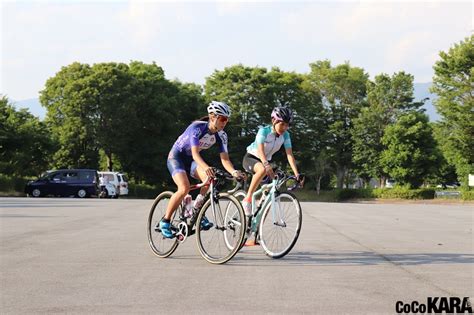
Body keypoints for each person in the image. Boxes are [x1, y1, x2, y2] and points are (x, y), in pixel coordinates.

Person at [159, 101, 245, 238]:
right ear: (212, 117)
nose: (224, 123)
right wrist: (206, 167)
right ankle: (165, 221)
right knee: (184, 188)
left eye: (226, 120)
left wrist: (234, 172)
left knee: (209, 179)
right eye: (222, 119)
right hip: (176, 157)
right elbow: (195, 153)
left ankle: (196, 209)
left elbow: (225, 159)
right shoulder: (197, 128)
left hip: (191, 160)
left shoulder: (222, 135)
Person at [241, 106, 303, 245]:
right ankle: (248, 198)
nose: (284, 127)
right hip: (252, 158)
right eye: (282, 124)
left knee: (269, 197)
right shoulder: (264, 131)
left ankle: (254, 233)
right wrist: (265, 164)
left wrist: (296, 173)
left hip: (266, 162)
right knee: (263, 170)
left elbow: (289, 155)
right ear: (274, 121)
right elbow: (260, 149)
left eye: (287, 125)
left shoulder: (286, 135)